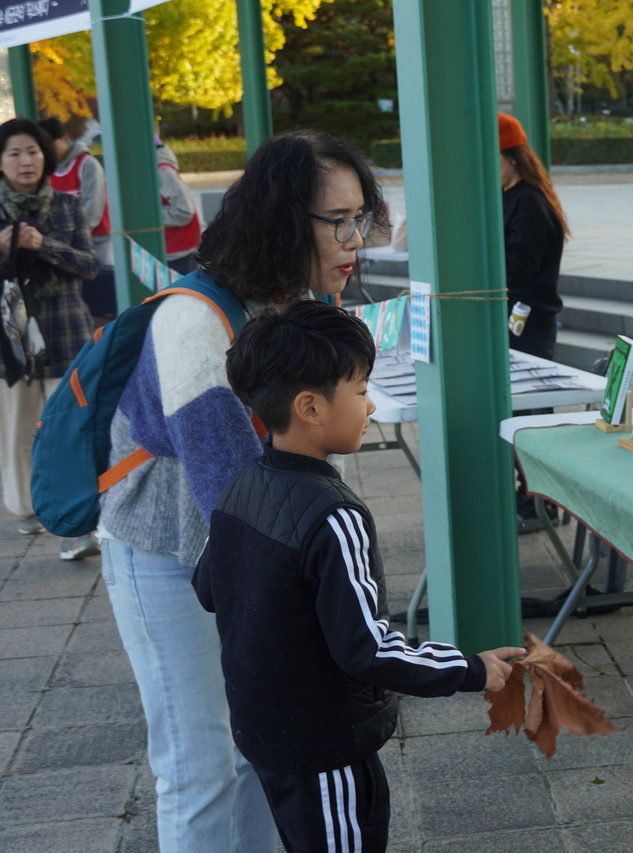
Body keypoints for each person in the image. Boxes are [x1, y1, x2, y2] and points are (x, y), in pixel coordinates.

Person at [97, 130, 390, 852]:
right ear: (285, 220)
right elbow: (237, 506)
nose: (357, 239)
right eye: (340, 220)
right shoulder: (195, 323)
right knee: (203, 765)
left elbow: (305, 474)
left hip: (246, 555)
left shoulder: (298, 305)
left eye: (363, 218)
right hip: (172, 553)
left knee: (262, 749)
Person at [194, 300, 523, 851]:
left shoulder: (241, 483)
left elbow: (209, 587)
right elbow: (368, 648)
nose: (369, 406)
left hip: (264, 732)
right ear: (310, 407)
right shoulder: (335, 514)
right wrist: (470, 668)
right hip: (325, 746)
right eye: (360, 390)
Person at [0, 118, 99, 558]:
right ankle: (27, 506)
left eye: (33, 152)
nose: (26, 161)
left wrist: (45, 245)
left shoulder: (66, 205)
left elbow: (88, 265)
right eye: (15, 153)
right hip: (11, 339)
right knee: (19, 425)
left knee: (69, 427)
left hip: (65, 329)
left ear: (47, 157)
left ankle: (74, 523)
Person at [498, 112, 568, 360]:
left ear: (513, 158)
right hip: (512, 314)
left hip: (527, 320)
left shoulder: (529, 201)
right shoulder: (505, 195)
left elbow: (522, 267)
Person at [37, 116, 111, 266]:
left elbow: (93, 209)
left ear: (65, 138)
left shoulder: (87, 164)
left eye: (51, 145)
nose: (47, 151)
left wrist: (73, 239)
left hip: (96, 242)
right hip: (65, 246)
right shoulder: (48, 169)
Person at [156, 136, 201, 275]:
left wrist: (149, 217)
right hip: (173, 249)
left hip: (180, 251)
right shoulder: (158, 170)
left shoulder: (163, 172)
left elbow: (185, 211)